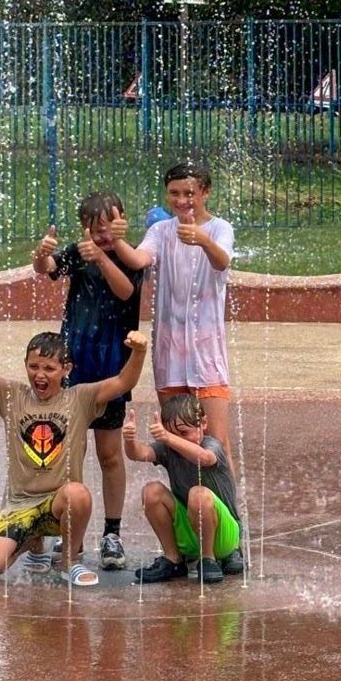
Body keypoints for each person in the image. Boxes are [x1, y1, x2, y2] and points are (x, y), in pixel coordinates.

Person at [0, 309, 147, 586]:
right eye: (33, 366)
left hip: (59, 505)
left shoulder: (81, 398)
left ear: (66, 370)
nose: (40, 375)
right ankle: (30, 541)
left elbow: (124, 382)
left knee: (78, 494)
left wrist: (139, 352)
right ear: (25, 364)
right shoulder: (12, 395)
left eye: (49, 368)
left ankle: (69, 562)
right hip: (19, 506)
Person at [32, 191, 144, 570]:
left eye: (108, 226)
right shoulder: (78, 253)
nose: (102, 235)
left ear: (122, 221)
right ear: (85, 227)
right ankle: (70, 535)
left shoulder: (131, 255)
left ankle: (112, 534)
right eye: (95, 228)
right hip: (75, 367)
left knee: (110, 454)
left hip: (111, 367)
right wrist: (42, 253)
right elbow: (47, 270)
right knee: (69, 455)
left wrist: (103, 257)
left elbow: (126, 291)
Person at [110, 162, 235, 459]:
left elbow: (222, 262)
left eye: (189, 193)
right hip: (170, 355)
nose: (181, 200)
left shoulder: (219, 228)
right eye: (174, 193)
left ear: (205, 192)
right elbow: (139, 260)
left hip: (208, 356)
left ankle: (228, 506)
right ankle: (185, 501)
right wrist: (117, 240)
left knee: (216, 442)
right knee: (177, 440)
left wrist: (203, 241)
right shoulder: (161, 230)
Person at [123, 394, 243, 584]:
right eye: (172, 434)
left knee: (198, 493)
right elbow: (140, 454)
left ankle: (208, 559)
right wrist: (129, 441)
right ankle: (173, 559)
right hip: (191, 532)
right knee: (151, 491)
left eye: (185, 433)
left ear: (203, 423)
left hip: (224, 537)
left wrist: (169, 439)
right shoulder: (168, 447)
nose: (178, 440)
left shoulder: (212, 445)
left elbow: (204, 458)